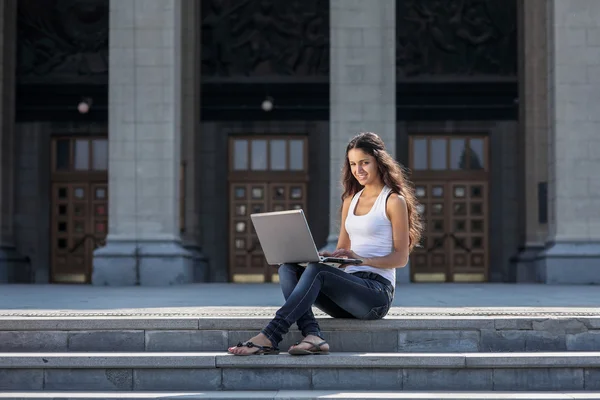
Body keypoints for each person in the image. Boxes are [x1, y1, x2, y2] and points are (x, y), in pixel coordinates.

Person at [227, 132, 422, 356]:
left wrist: (359, 259)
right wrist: (329, 257)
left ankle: (271, 334)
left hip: (375, 295)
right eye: (353, 164)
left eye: (364, 163)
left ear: (379, 162)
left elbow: (400, 258)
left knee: (317, 272)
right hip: (349, 290)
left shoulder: (393, 200)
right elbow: (343, 253)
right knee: (288, 268)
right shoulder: (351, 200)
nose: (358, 170)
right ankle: (313, 335)